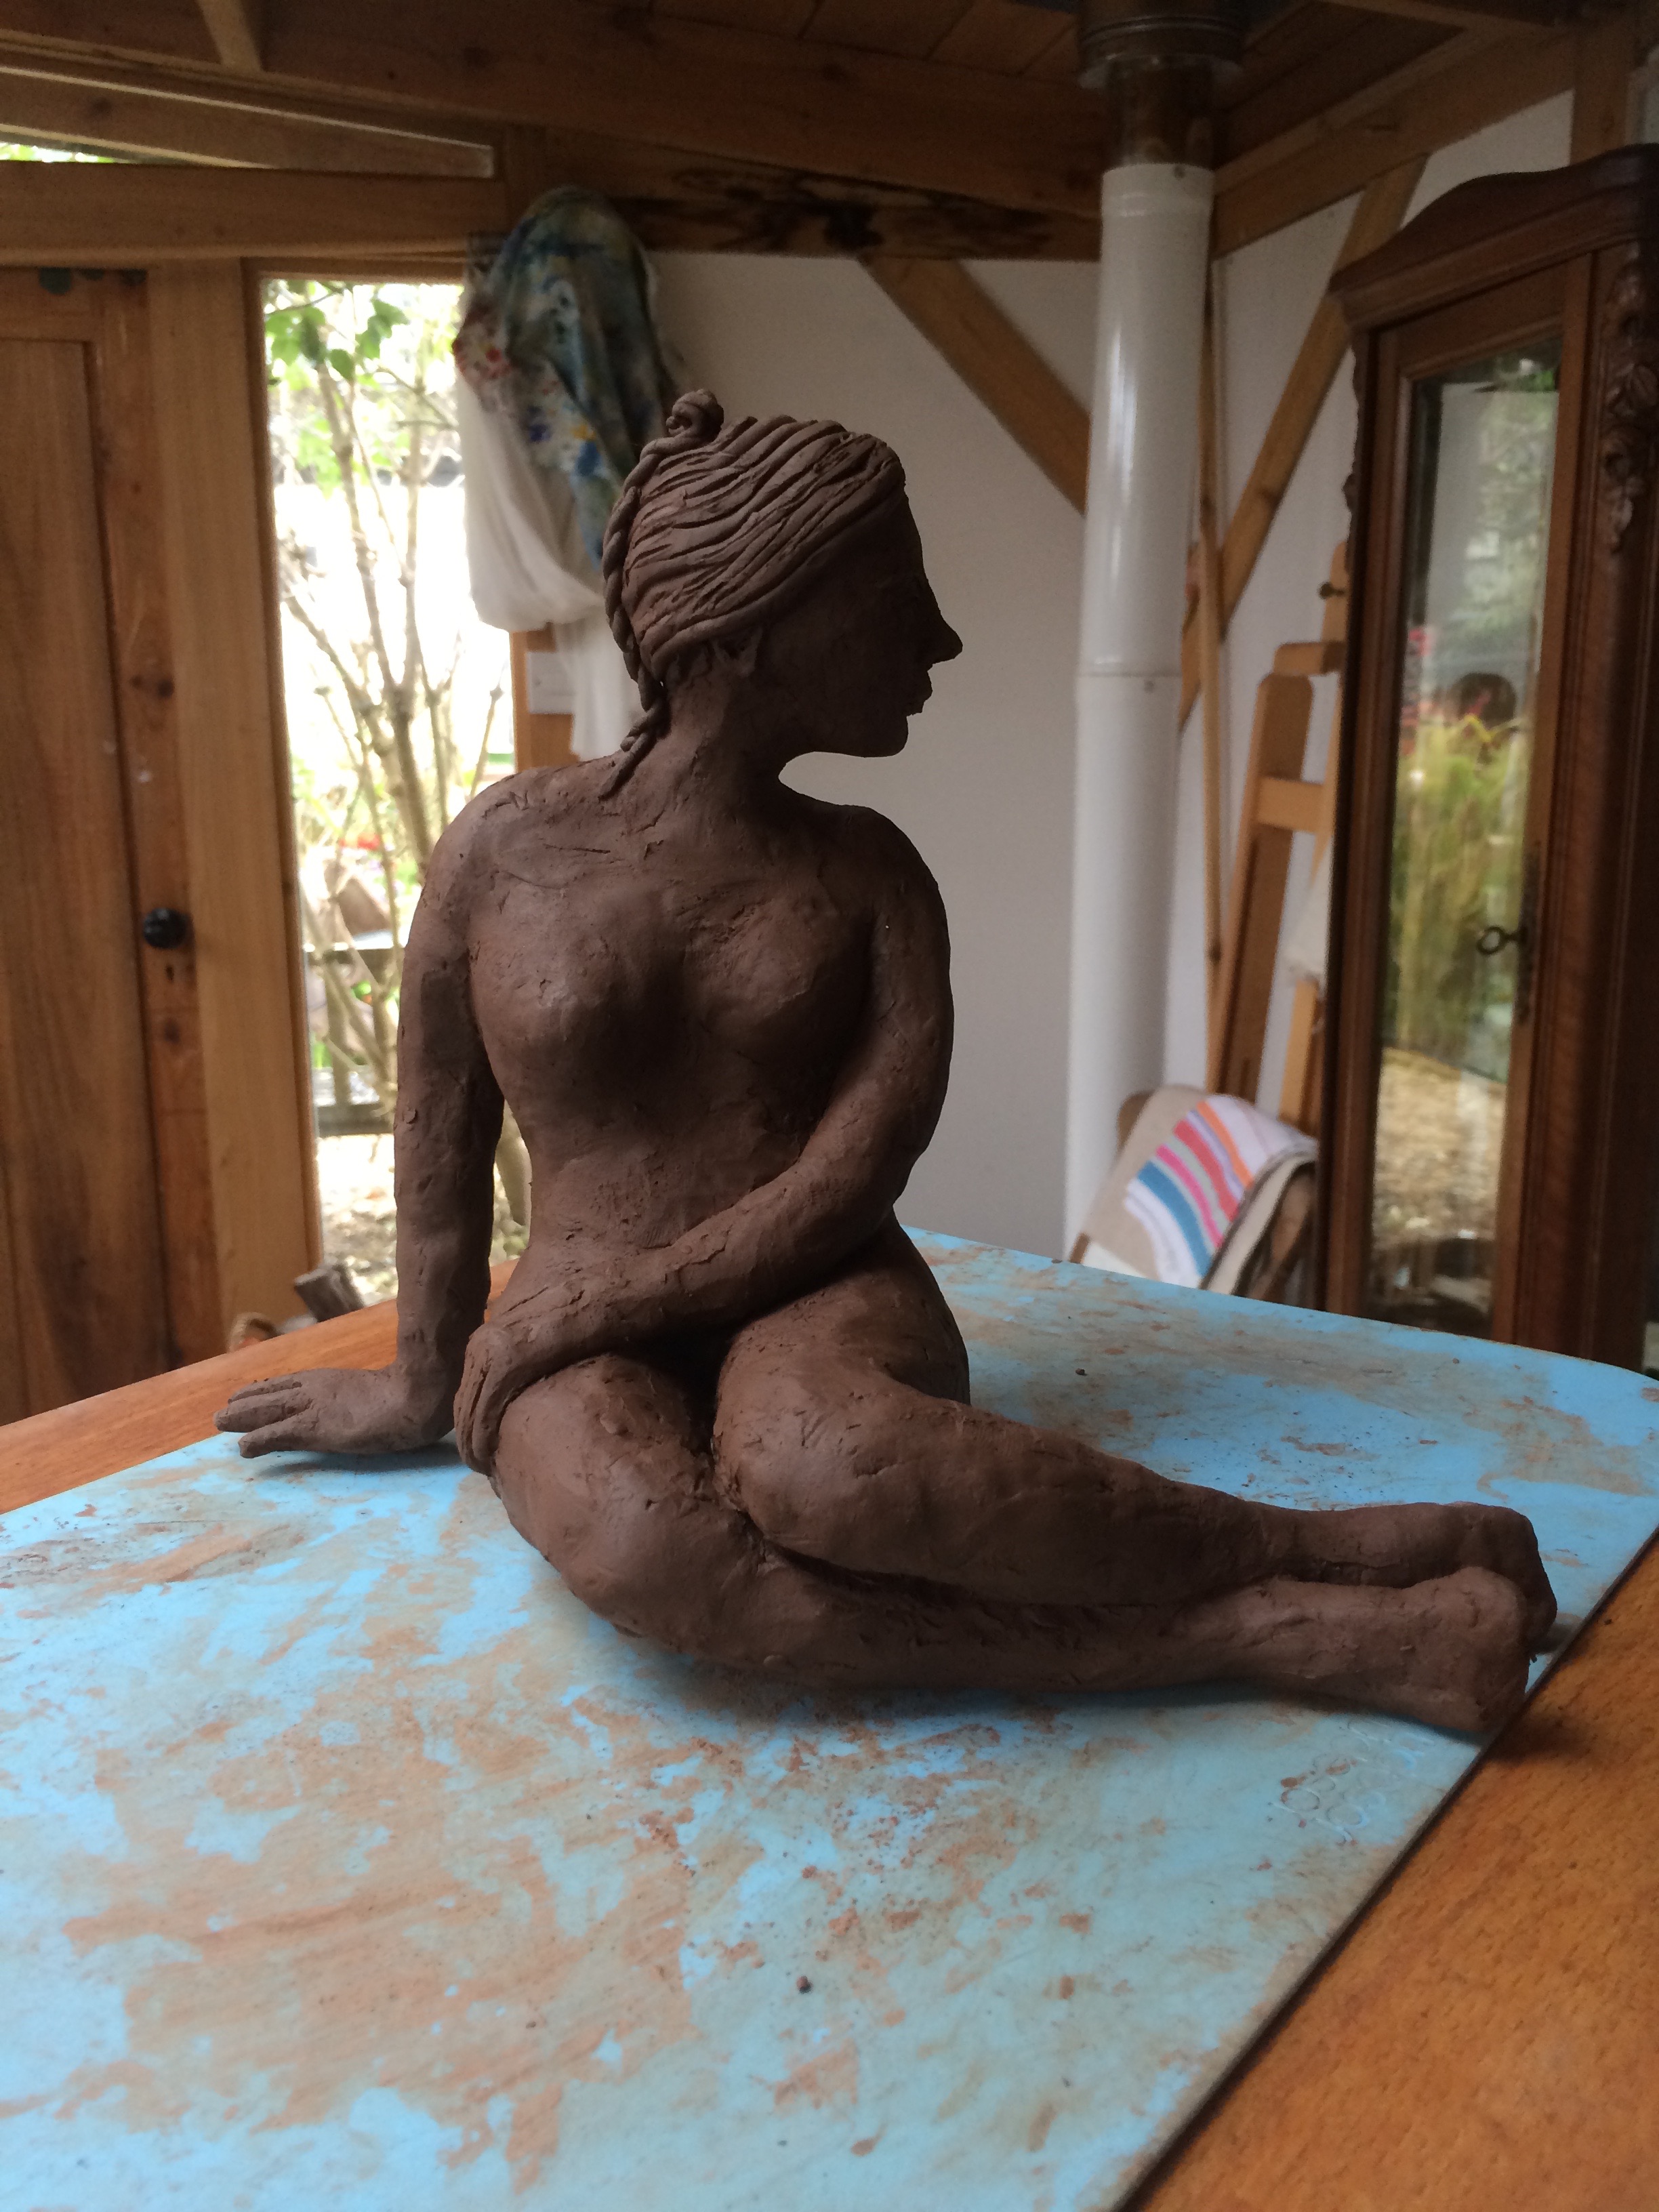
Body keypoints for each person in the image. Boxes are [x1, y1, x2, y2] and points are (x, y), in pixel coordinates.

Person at [220, 392, 1553, 1732]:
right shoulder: (502, 849)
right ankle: (1288, 1624)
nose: (939, 639)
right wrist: (421, 1375)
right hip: (565, 1323)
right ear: (754, 621)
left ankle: (1310, 1546)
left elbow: (853, 1175)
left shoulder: (872, 876)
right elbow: (436, 1131)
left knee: (826, 1468)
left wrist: (587, 1308)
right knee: (648, 1548)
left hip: (821, 1285)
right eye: (894, 600)